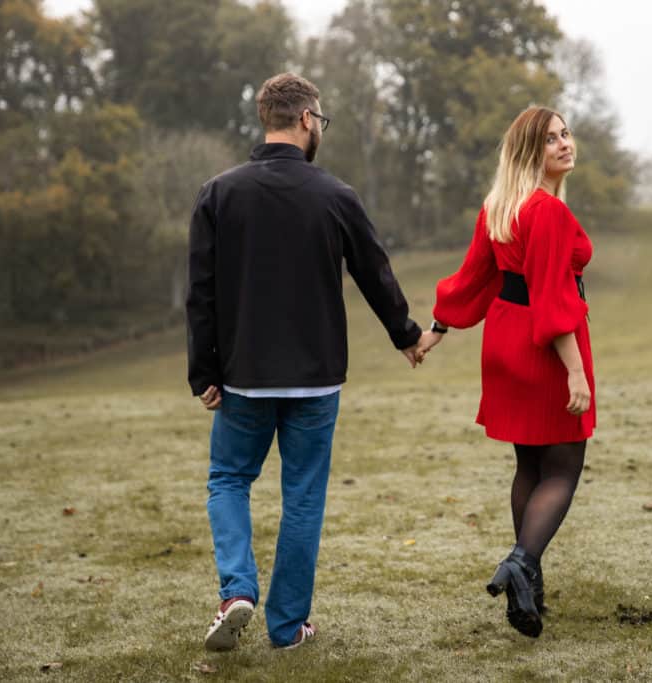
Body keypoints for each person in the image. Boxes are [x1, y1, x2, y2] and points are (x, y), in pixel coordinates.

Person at [186, 72, 423, 651]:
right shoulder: (335, 195)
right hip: (317, 381)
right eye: (322, 121)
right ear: (307, 120)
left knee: (229, 480)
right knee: (303, 497)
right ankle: (287, 628)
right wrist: (406, 335)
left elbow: (202, 290)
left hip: (243, 377)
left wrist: (204, 372)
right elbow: (375, 271)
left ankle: (237, 589)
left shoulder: (219, 193)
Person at [416, 106, 594, 638]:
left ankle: (528, 590)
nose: (565, 144)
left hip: (504, 344)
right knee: (561, 471)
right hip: (544, 348)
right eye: (550, 140)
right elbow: (553, 299)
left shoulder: (498, 208)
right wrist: (576, 373)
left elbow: (471, 279)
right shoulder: (547, 213)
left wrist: (436, 328)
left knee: (530, 469)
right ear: (528, 153)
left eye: (566, 134)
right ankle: (520, 562)